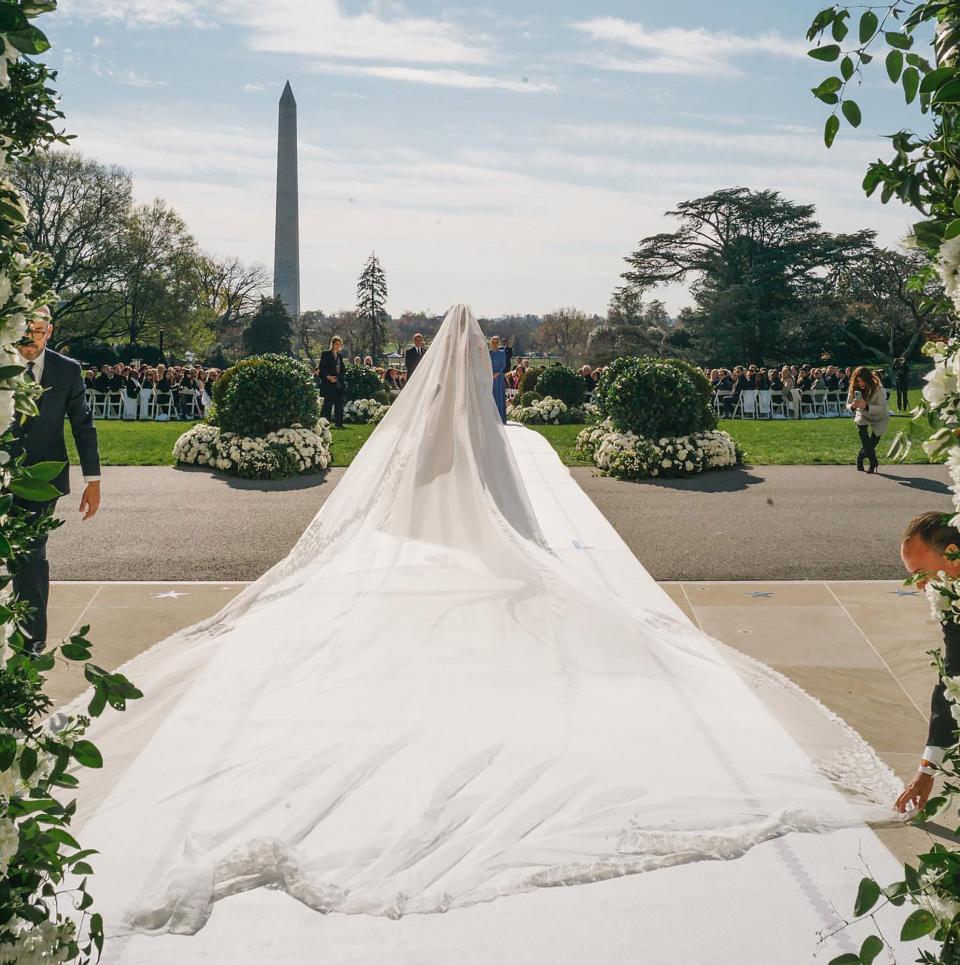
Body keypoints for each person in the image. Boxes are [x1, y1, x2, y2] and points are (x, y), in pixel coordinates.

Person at [66, 304, 894, 950]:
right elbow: (503, 498)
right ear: (480, 360)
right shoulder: (485, 410)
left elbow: (411, 486)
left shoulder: (427, 416)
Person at [9, 306, 101, 653]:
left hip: (42, 481)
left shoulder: (67, 371)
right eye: (24, 330)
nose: (29, 338)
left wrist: (92, 481)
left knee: (31, 556)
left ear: (50, 331)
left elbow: (83, 425)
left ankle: (31, 643)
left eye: (37, 330)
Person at [896, 513, 960, 813]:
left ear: (951, 554)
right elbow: (953, 678)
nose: (919, 586)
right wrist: (928, 767)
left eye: (920, 573)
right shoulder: (951, 603)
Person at [847, 364, 889, 474]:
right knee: (862, 432)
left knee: (873, 442)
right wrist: (852, 406)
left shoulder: (878, 387)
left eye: (863, 381)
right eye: (858, 381)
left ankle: (860, 457)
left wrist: (866, 406)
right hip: (863, 413)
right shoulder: (854, 387)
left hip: (879, 415)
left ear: (869, 379)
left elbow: (882, 407)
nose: (860, 384)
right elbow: (847, 403)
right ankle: (873, 461)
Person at [319, 336, 346, 428]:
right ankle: (324, 424)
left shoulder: (340, 356)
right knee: (328, 404)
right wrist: (328, 377)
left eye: (339, 344)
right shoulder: (326, 354)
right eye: (336, 344)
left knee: (339, 403)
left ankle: (339, 424)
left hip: (338, 382)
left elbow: (343, 370)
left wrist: (338, 378)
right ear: (332, 344)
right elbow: (321, 369)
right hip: (328, 382)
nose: (337, 346)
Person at [489, 334, 507, 424]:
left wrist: (497, 373)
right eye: (493, 342)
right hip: (490, 376)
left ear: (498, 343)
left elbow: (504, 364)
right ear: (491, 343)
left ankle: (500, 417)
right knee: (492, 395)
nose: (495, 344)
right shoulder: (489, 353)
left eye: (497, 342)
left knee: (499, 395)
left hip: (499, 377)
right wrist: (491, 373)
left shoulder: (502, 352)